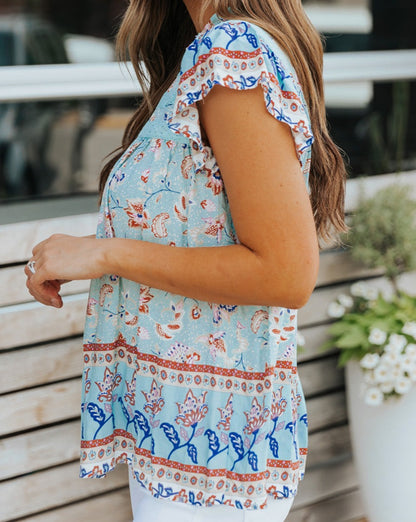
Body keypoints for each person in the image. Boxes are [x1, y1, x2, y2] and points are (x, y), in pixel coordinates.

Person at [24, 0, 348, 520]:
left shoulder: (232, 52)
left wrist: (105, 253)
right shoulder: (205, 51)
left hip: (210, 450)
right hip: (183, 440)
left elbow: (285, 273)